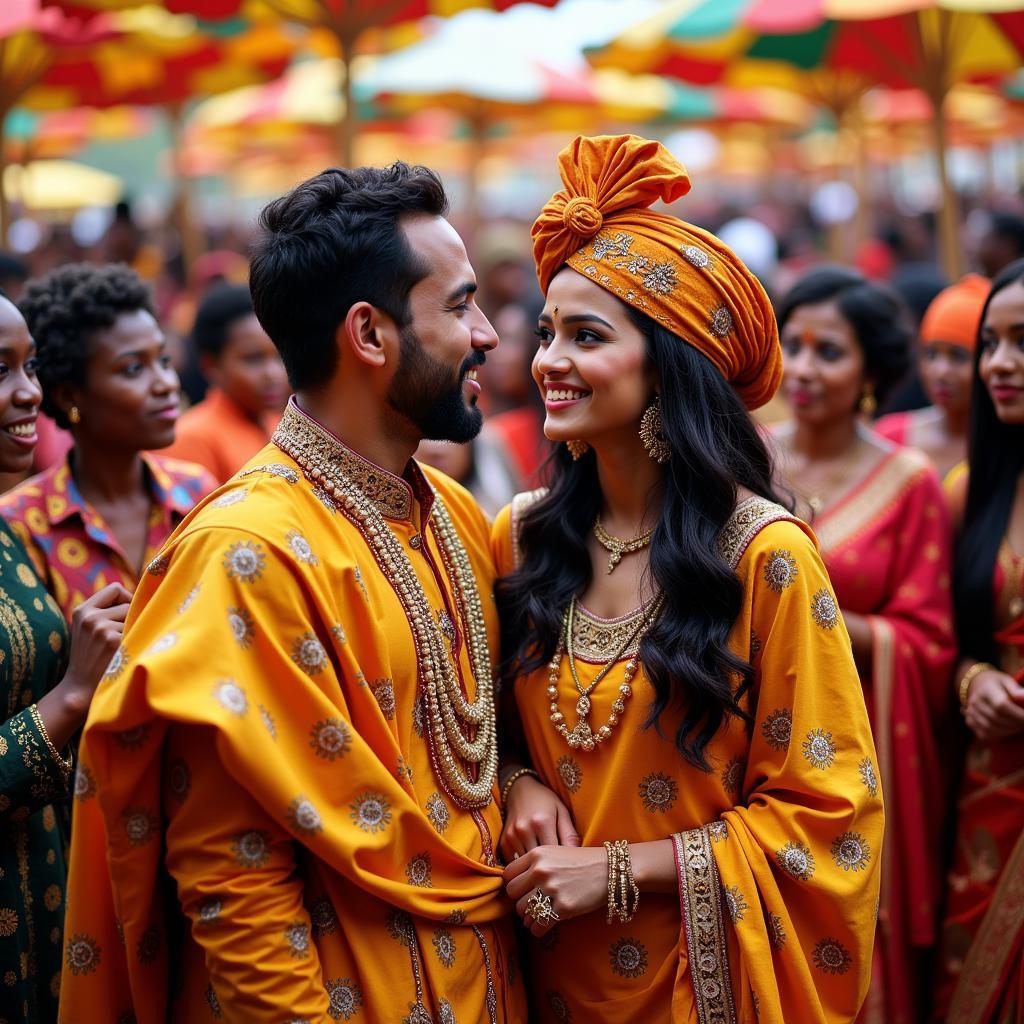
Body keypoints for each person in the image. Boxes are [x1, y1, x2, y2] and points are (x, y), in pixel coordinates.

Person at [58, 163, 527, 1022]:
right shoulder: (244, 553)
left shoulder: (455, 515)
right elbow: (235, 880)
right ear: (369, 334)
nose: (491, 335)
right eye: (460, 306)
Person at [495, 135, 882, 1023]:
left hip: (702, 984)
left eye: (586, 336)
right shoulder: (517, 535)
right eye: (549, 331)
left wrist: (617, 871)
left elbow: (830, 813)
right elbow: (469, 737)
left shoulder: (765, 558)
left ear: (669, 369)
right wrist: (518, 782)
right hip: (535, 975)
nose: (548, 359)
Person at [771, 266, 957, 1024]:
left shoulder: (909, 482)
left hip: (864, 752)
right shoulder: (744, 458)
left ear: (874, 369)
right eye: (796, 346)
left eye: (830, 352)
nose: (806, 370)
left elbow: (929, 639)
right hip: (759, 737)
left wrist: (811, 614)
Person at [0, 291, 130, 1024]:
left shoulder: (3, 529)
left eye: (30, 366)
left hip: (49, 906)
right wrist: (71, 695)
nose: (29, 393)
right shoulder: (28, 515)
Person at [0, 263, 215, 622]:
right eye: (133, 369)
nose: (165, 383)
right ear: (70, 395)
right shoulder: (20, 524)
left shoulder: (198, 493)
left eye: (163, 360)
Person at [933, 257, 1024, 1023]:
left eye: (1021, 342)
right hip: (993, 786)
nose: (998, 363)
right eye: (990, 342)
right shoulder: (973, 490)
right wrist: (972, 680)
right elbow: (945, 638)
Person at [161, 282, 288, 483]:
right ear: (211, 365)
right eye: (254, 359)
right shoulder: (193, 439)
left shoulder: (279, 424)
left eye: (279, 356)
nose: (273, 374)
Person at [876, 275, 991, 484]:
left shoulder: (1005, 447)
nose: (940, 371)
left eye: (958, 356)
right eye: (931, 354)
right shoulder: (889, 437)